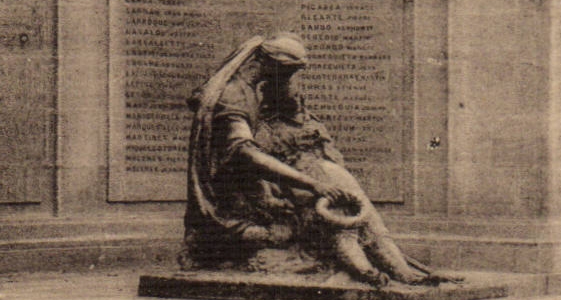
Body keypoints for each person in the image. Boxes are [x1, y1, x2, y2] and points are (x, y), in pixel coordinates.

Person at [183, 33, 449, 286]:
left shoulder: (248, 91)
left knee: (337, 187)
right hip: (239, 197)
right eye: (287, 75)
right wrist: (310, 183)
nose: (287, 84)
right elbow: (246, 154)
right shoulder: (234, 94)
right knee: (326, 192)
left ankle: (390, 265)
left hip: (262, 183)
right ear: (269, 65)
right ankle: (368, 264)